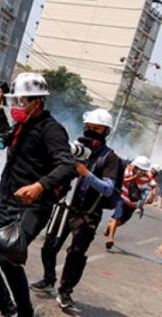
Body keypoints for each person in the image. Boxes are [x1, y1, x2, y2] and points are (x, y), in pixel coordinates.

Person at [0, 73, 75, 317]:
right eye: (14, 101)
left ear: (36, 102)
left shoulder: (52, 130)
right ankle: (9, 310)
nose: (16, 106)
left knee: (8, 258)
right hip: (5, 204)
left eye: (20, 101)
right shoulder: (22, 125)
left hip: (33, 207)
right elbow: (4, 137)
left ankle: (25, 313)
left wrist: (40, 185)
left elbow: (67, 166)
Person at [30, 109, 122, 313]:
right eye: (88, 127)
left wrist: (86, 173)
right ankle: (48, 279)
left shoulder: (110, 158)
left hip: (88, 212)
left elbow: (107, 189)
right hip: (65, 206)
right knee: (49, 245)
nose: (91, 131)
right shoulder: (77, 149)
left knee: (76, 253)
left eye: (96, 128)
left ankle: (65, 292)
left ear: (105, 131)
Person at [105, 156, 157, 249]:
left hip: (133, 204)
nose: (142, 172)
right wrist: (133, 177)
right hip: (122, 199)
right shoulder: (127, 170)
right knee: (117, 217)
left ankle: (110, 227)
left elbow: (153, 185)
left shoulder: (147, 177)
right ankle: (110, 239)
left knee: (122, 221)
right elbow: (122, 181)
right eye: (141, 170)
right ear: (136, 167)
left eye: (144, 171)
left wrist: (153, 195)